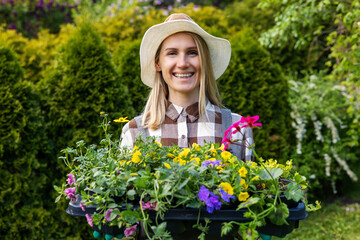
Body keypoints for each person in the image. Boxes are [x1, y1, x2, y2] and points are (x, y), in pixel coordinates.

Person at [121, 13, 253, 162]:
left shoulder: (237, 129)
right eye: (172, 53)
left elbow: (250, 184)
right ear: (158, 63)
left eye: (192, 52)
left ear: (204, 61)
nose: (182, 63)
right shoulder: (133, 132)